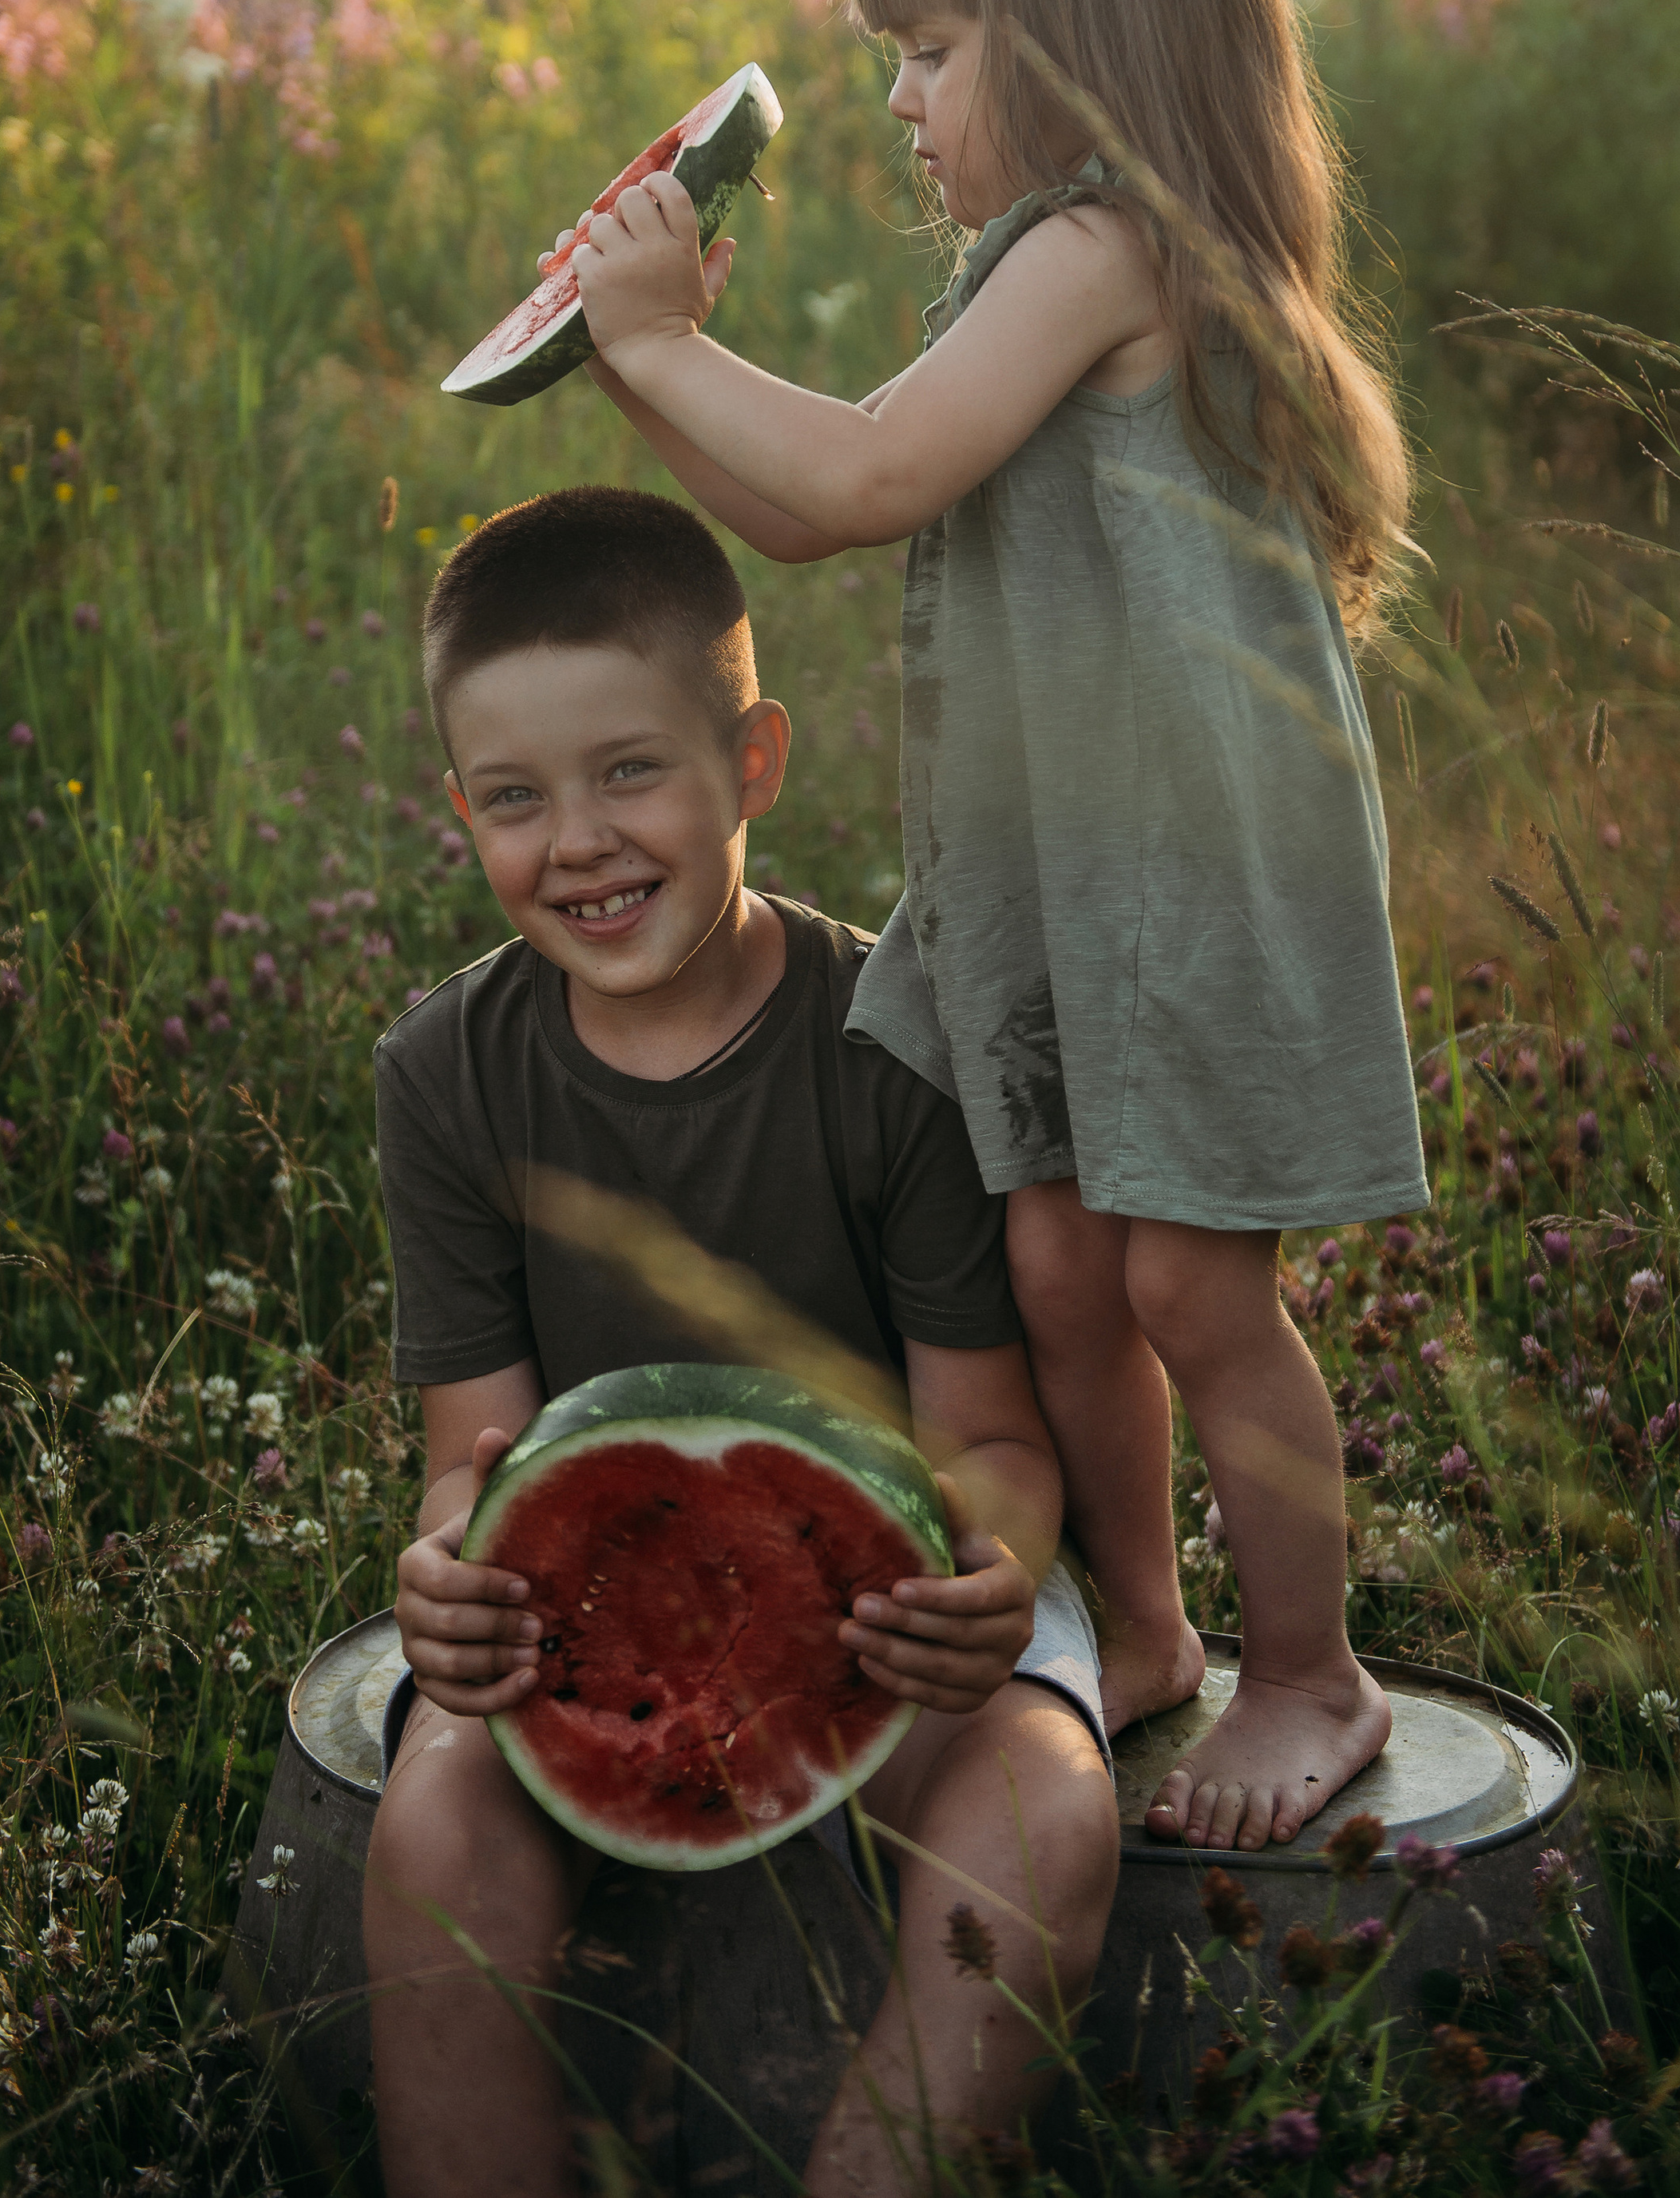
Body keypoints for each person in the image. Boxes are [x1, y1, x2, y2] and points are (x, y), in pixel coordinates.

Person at [563, 0, 1428, 1855]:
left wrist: (672, 344)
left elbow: (861, 468)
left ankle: (1314, 1670)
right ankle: (1140, 1635)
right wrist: (642, 372)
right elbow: (812, 522)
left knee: (1198, 1295)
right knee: (1057, 1273)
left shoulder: (1110, 249)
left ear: (1087, 37)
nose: (901, 96)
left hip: (1189, 883)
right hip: (1053, 884)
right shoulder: (1022, 270)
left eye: (935, 47)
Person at [363, 487, 1119, 2198]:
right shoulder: (443, 1079)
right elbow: (462, 1470)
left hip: (891, 1611)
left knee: (1044, 1821)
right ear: (461, 812)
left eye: (630, 769)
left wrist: (991, 1569)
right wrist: (442, 1581)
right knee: (431, 1834)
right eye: (512, 798)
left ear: (754, 761)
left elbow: (987, 1439)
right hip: (582, 1624)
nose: (577, 843)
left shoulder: (885, 1053)